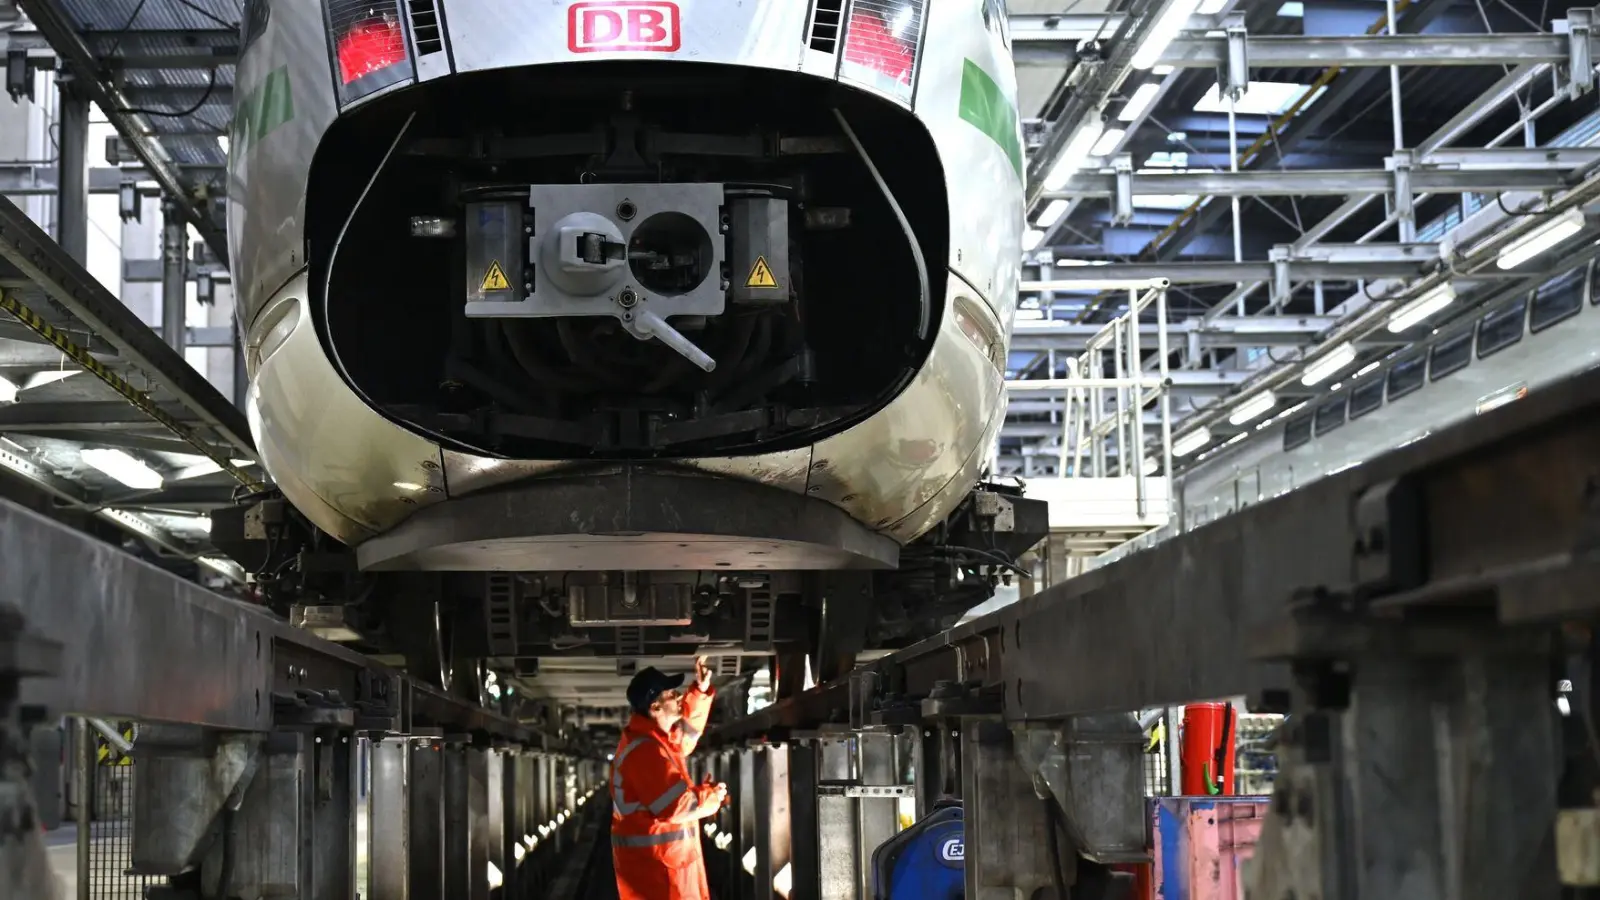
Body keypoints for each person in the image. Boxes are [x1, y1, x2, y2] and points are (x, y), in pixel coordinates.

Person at [611, 655, 727, 900]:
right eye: (671, 694)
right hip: (659, 878)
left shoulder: (657, 741)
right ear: (655, 707)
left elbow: (687, 735)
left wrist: (701, 691)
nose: (679, 697)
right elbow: (677, 807)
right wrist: (712, 797)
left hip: (666, 869)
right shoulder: (645, 752)